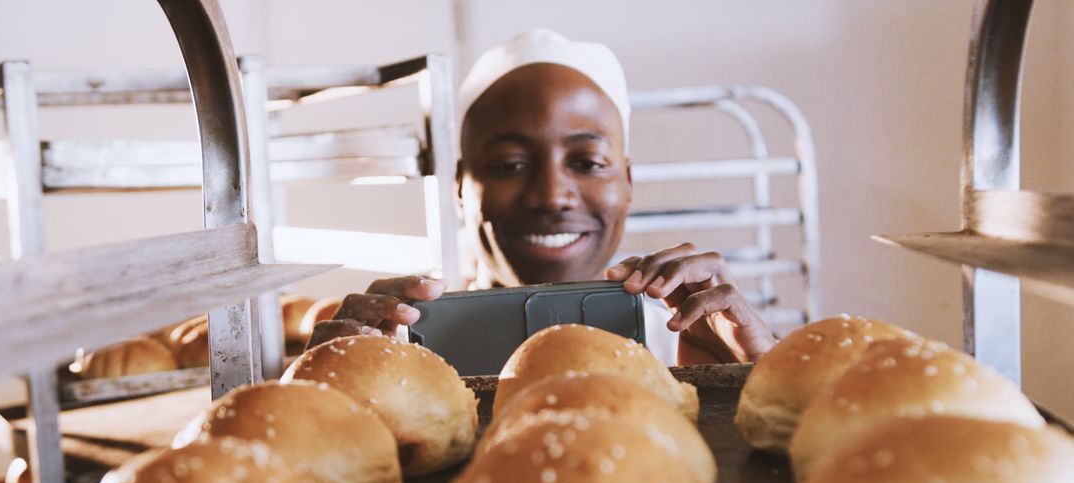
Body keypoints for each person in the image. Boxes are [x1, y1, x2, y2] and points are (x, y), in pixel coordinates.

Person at [309, 29, 775, 365]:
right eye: (510, 164)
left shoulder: (710, 344)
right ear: (460, 187)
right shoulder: (395, 351)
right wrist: (330, 397)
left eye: (588, 162)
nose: (552, 197)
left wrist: (738, 390)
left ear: (627, 182)